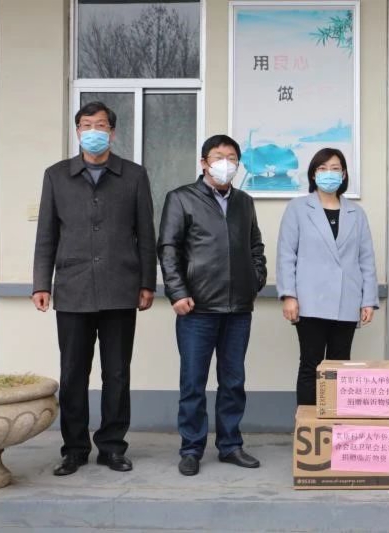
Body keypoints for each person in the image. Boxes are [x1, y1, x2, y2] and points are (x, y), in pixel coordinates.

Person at [32, 101, 157, 476]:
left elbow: (146, 233)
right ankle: (74, 449)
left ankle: (112, 447)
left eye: (100, 125)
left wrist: (147, 282)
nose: (93, 131)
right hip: (73, 289)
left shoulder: (134, 176)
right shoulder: (56, 176)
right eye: (86, 125)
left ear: (112, 132)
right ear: (77, 131)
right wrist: (41, 283)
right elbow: (46, 235)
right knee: (73, 373)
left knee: (117, 373)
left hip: (121, 288)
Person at [157, 135, 267, 476]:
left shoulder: (244, 202)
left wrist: (255, 280)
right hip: (197, 308)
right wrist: (177, 293)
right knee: (193, 383)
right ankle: (191, 449)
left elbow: (255, 246)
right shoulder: (181, 198)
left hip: (238, 309)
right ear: (204, 162)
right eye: (218, 157)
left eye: (232, 158)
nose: (225, 163)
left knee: (233, 382)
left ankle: (230, 445)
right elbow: (169, 248)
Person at [276, 148, 378, 406]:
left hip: (347, 300)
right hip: (310, 301)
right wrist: (288, 296)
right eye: (322, 168)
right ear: (313, 174)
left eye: (335, 168)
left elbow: (366, 259)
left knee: (340, 366)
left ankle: (336, 422)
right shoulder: (298, 208)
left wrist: (368, 300)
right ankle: (308, 425)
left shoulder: (356, 213)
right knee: (310, 364)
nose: (328, 173)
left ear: (343, 174)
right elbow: (286, 254)